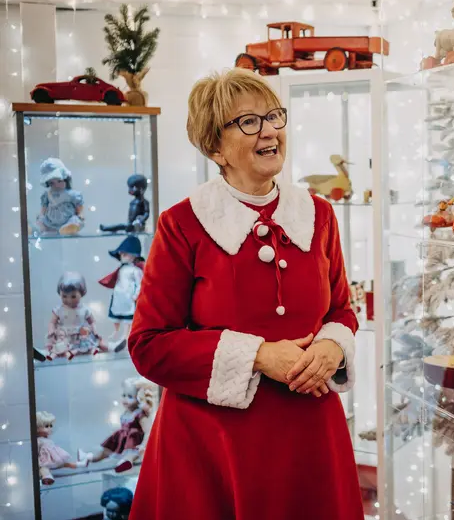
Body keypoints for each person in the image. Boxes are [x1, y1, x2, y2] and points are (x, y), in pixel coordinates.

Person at [127, 68, 363, 519]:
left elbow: (341, 310)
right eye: (249, 122)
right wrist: (257, 355)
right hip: (212, 446)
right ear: (215, 147)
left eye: (274, 116)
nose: (270, 131)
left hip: (310, 437)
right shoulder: (182, 225)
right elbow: (148, 345)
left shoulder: (318, 215)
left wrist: (333, 346)